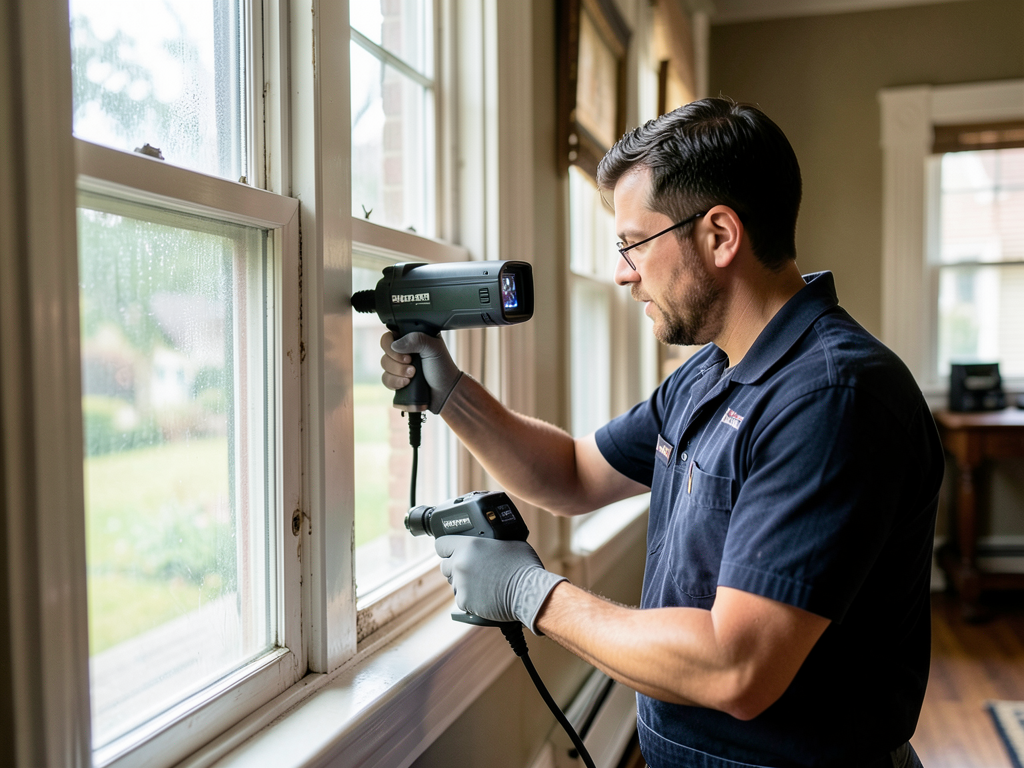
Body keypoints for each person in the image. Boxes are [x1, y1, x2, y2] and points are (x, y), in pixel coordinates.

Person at [379, 98, 943, 768]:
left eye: (633, 244)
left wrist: (531, 594)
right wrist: (451, 394)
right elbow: (574, 473)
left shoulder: (833, 399)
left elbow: (737, 669)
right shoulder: (709, 373)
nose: (623, 272)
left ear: (719, 236)